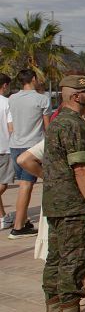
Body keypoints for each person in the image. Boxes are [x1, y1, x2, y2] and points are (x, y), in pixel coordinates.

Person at [37, 74, 85, 312]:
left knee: (55, 258)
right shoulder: (74, 125)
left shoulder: (56, 122)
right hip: (73, 204)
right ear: (76, 96)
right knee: (74, 258)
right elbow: (81, 169)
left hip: (55, 202)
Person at [7, 69, 51, 238]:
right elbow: (47, 126)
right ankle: (18, 227)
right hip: (32, 147)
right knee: (26, 186)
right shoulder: (42, 99)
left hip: (15, 145)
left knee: (24, 184)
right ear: (33, 79)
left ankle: (23, 221)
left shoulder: (12, 98)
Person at [0, 73, 14, 230]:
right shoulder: (6, 103)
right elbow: (11, 128)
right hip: (4, 148)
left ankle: (3, 217)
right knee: (3, 183)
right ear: (4, 85)